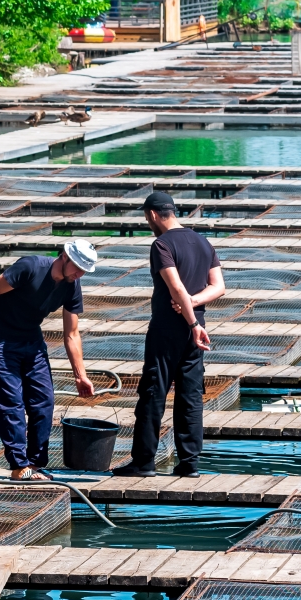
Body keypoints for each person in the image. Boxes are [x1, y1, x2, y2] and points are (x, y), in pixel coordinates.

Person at [113, 192, 225, 478]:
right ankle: (189, 464)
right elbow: (218, 287)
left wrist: (189, 317)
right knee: (190, 396)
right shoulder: (202, 241)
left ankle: (144, 462)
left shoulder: (161, 244)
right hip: (196, 335)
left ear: (152, 215)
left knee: (153, 394)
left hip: (169, 331)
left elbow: (175, 288)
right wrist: (195, 306)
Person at [0, 240, 98, 479]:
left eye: (84, 271)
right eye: (77, 267)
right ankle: (18, 466)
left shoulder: (72, 285)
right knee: (11, 402)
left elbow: (72, 334)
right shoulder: (31, 266)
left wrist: (81, 376)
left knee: (43, 401)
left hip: (32, 341)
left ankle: (34, 465)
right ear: (64, 257)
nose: (79, 274)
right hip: (2, 340)